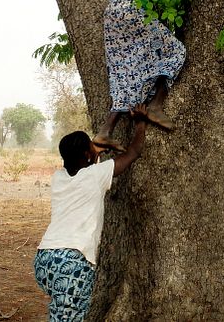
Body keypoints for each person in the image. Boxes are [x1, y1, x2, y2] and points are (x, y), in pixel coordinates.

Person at [92, 0, 224, 152]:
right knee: (176, 51)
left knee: (128, 71)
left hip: (112, 14)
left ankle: (105, 131)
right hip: (130, 10)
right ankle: (156, 106)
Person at [33, 104, 149, 321]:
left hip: (44, 259)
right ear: (88, 154)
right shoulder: (96, 175)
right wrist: (140, 122)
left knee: (60, 314)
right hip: (72, 261)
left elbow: (85, 160)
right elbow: (134, 152)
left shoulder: (59, 178)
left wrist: (92, 150)